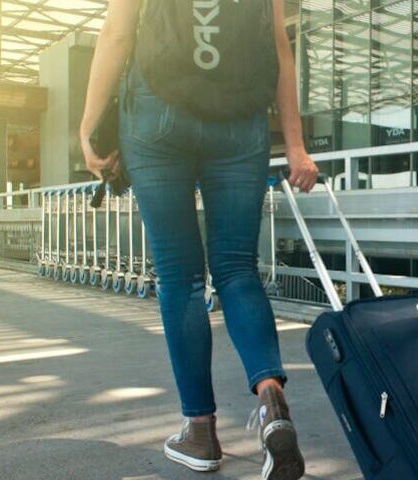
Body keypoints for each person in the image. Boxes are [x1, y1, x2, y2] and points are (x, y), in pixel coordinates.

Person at [80, 1, 319, 479]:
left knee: (180, 275)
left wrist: (88, 126)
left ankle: (201, 431)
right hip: (240, 121)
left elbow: (117, 34)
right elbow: (279, 49)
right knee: (236, 267)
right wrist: (295, 145)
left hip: (156, 116)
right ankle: (272, 404)